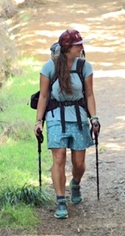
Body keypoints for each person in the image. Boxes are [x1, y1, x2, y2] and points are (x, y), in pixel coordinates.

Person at [35, 29, 100, 219]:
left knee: (79, 163)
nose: (81, 48)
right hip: (55, 117)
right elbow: (44, 96)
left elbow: (89, 94)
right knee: (59, 157)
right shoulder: (49, 67)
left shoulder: (84, 67)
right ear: (67, 48)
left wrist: (94, 117)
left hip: (78, 116)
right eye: (77, 45)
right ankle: (61, 200)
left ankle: (76, 183)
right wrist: (39, 121)